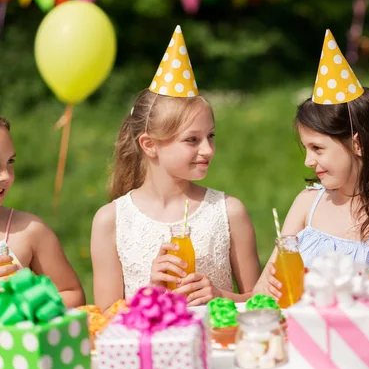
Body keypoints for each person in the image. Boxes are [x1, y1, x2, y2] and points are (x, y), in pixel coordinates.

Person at [90, 26, 261, 312]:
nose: (207, 149)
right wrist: (152, 293)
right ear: (149, 145)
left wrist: (222, 296)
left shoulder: (229, 212)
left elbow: (261, 302)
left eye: (210, 136)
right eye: (192, 140)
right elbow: (106, 319)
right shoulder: (111, 221)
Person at [254, 29, 369, 300]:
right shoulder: (306, 205)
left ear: (358, 144)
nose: (308, 161)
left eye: (318, 148)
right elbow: (262, 292)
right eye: (306, 148)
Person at [0, 116, 85, 307]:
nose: (6, 175)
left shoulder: (30, 232)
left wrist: (29, 302)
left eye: (10, 161)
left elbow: (73, 295)